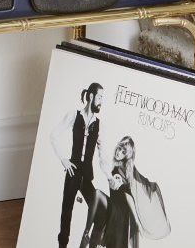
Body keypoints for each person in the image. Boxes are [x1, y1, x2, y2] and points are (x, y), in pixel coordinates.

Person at [50, 82, 115, 248]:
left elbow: (103, 156)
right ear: (91, 96)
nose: (101, 101)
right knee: (66, 213)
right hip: (73, 172)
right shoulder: (74, 115)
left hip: (86, 175)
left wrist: (109, 176)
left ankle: (90, 242)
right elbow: (54, 135)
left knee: (101, 211)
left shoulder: (99, 125)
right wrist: (64, 159)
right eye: (100, 97)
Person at [86, 136, 170, 248]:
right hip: (121, 214)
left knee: (97, 195)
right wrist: (100, 148)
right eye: (119, 148)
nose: (119, 152)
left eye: (123, 152)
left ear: (126, 155)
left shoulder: (119, 171)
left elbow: (128, 196)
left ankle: (86, 233)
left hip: (118, 214)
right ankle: (88, 234)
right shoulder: (123, 169)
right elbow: (105, 166)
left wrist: (137, 221)